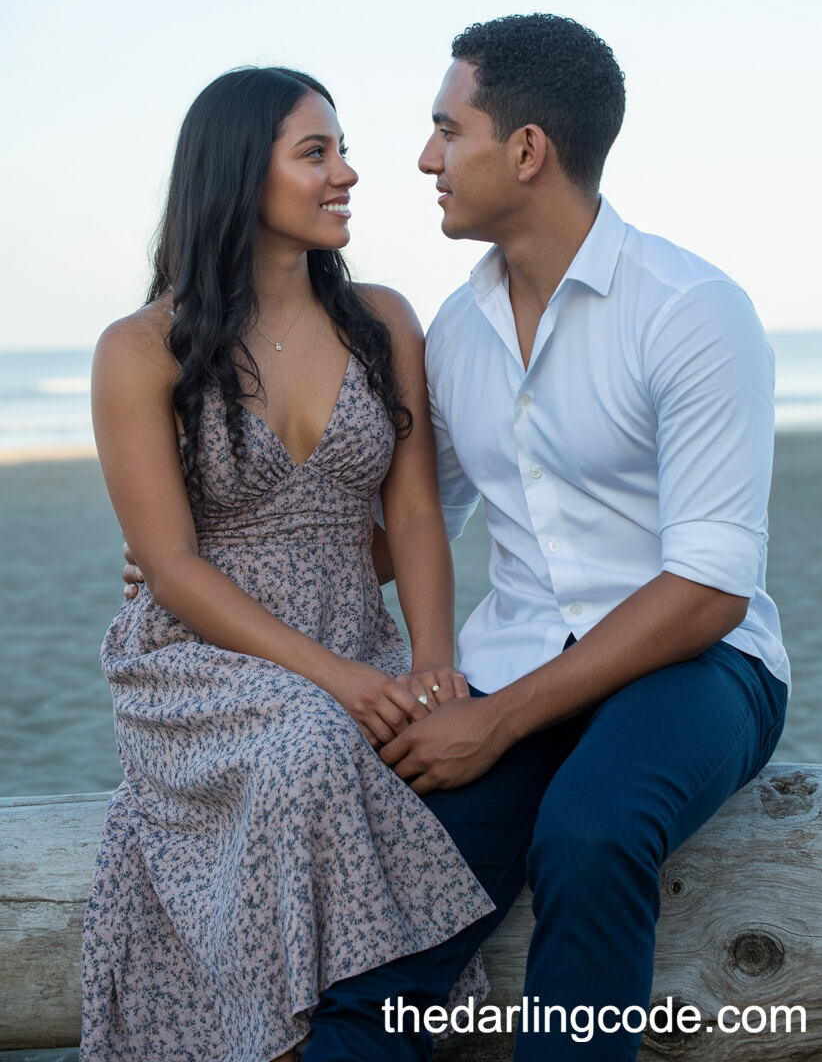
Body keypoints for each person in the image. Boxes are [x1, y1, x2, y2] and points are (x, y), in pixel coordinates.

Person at [123, 17, 790, 1060]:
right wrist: (195, 559)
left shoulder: (690, 311)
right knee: (386, 940)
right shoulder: (456, 332)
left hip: (698, 665)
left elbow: (708, 586)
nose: (423, 159)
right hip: (515, 665)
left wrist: (497, 720)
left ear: (525, 151)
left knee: (592, 832)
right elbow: (406, 515)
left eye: (447, 130)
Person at [80, 66, 495, 1062]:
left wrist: (428, 663)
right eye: (316, 153)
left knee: (418, 752)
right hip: (201, 661)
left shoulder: (382, 321)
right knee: (311, 743)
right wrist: (343, 682)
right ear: (236, 175)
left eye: (342, 149)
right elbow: (172, 567)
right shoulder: (143, 349)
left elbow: (416, 513)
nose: (348, 172)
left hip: (355, 634)